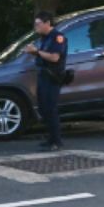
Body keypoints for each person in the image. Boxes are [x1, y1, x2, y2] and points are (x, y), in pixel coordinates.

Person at [23, 11, 68, 151]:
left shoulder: (58, 37)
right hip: (43, 76)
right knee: (43, 108)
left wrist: (36, 52)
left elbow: (55, 57)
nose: (36, 26)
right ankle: (50, 139)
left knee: (51, 108)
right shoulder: (44, 38)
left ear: (47, 23)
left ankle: (57, 141)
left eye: (38, 24)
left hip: (53, 76)